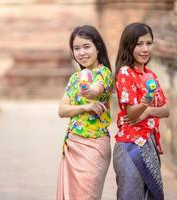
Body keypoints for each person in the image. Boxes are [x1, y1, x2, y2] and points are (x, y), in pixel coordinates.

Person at [56, 25, 113, 200]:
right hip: (72, 144)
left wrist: (89, 91)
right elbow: (62, 110)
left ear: (98, 48)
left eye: (86, 47)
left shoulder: (104, 73)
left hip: (94, 146)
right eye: (76, 48)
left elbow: (95, 90)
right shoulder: (74, 78)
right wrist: (84, 107)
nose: (82, 52)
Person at [113, 22, 170, 200]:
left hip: (149, 144)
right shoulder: (125, 73)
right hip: (131, 147)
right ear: (128, 46)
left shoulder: (150, 75)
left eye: (148, 43)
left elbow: (166, 110)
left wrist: (146, 111)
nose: (145, 49)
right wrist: (145, 106)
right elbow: (131, 114)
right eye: (139, 44)